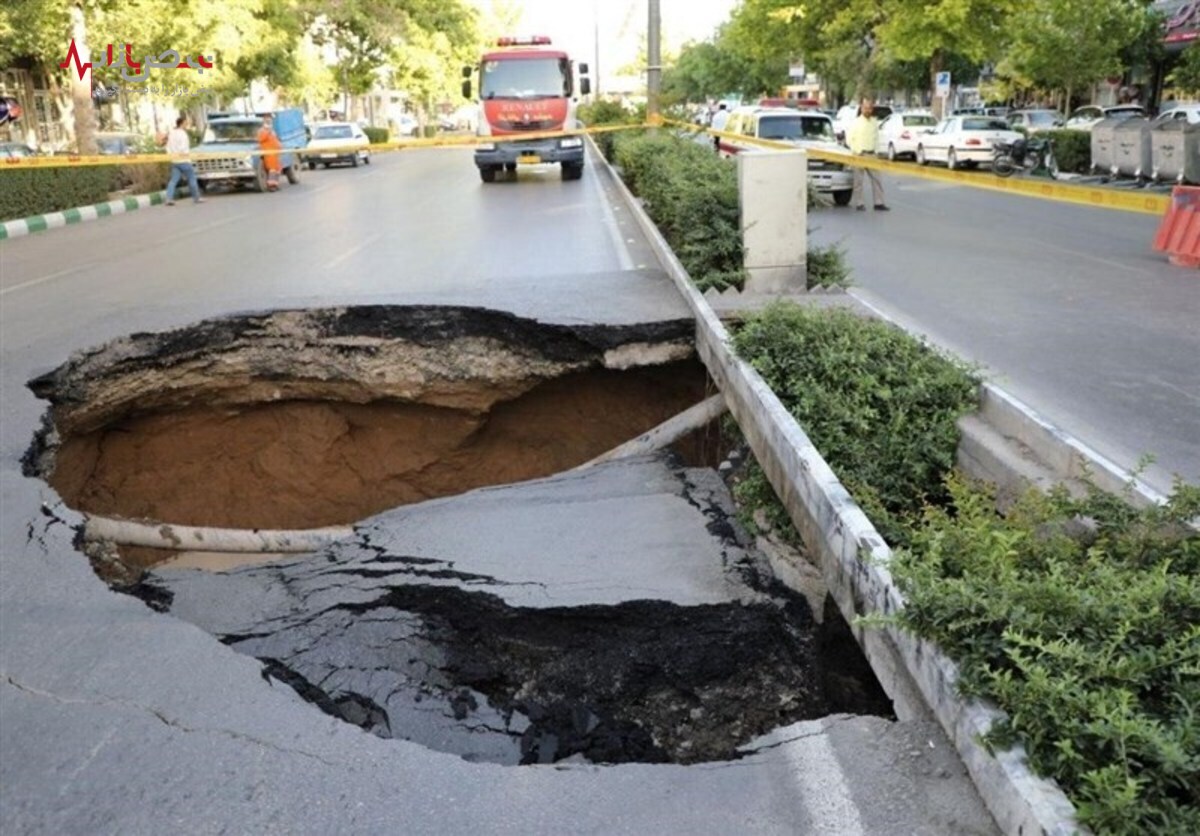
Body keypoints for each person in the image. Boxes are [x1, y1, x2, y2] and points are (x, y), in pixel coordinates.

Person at [847, 98, 888, 211]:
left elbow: (876, 138)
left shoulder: (874, 122)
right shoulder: (856, 122)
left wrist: (876, 151)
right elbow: (849, 139)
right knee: (858, 181)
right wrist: (856, 150)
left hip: (871, 155)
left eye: (870, 108)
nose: (867, 110)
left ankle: (878, 203)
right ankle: (859, 203)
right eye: (865, 108)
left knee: (877, 179)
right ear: (861, 108)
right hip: (859, 154)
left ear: (872, 109)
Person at [164, 115, 203, 206]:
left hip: (174, 160)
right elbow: (183, 147)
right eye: (186, 123)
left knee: (173, 180)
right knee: (192, 178)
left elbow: (167, 147)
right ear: (182, 123)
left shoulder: (171, 133)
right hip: (184, 160)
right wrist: (182, 154)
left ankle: (169, 198)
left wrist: (172, 155)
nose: (187, 125)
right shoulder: (183, 134)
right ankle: (196, 197)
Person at [256, 113, 283, 192]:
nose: (269, 122)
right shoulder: (262, 131)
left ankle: (275, 184)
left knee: (278, 169)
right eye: (267, 120)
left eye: (270, 120)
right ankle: (271, 186)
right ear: (264, 122)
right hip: (269, 154)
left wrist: (279, 145)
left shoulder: (272, 131)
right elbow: (261, 139)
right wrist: (267, 132)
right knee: (272, 170)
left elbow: (275, 140)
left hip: (275, 154)